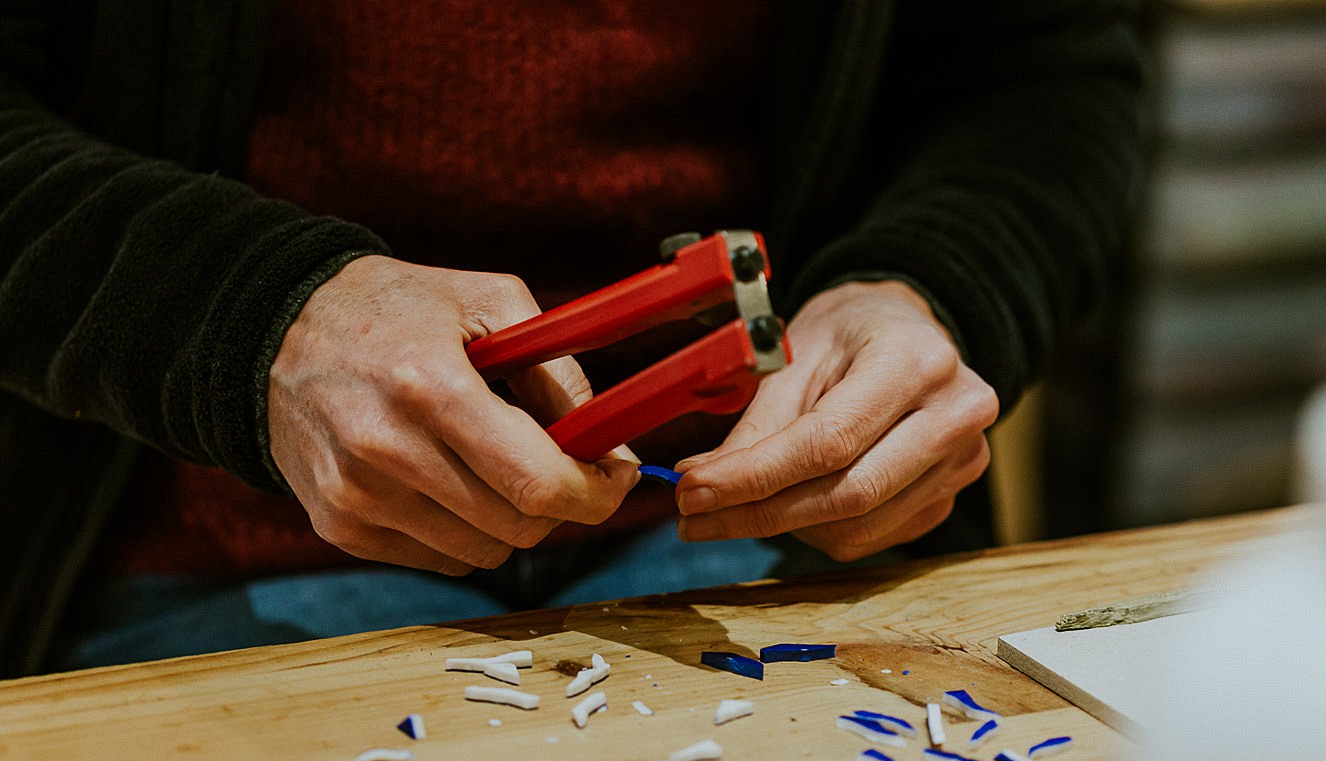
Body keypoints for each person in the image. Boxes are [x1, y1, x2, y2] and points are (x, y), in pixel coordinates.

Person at [0, 2, 1147, 677]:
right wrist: (248, 319)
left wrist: (929, 285)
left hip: (784, 523)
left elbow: (1044, 77)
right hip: (196, 534)